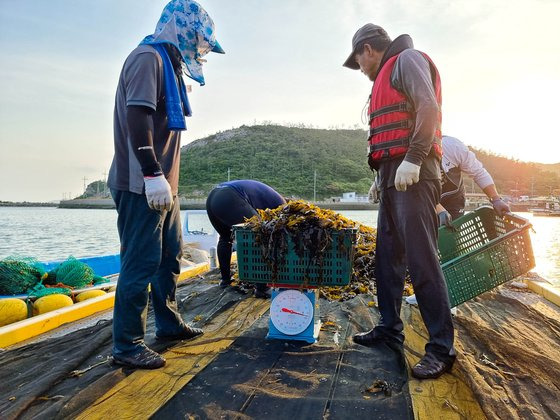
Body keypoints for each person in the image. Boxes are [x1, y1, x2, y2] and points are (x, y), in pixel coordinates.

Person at [107, 0, 224, 369]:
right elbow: (137, 114)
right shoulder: (148, 59)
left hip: (164, 188)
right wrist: (152, 173)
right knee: (139, 263)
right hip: (141, 183)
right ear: (181, 30)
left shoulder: (170, 68)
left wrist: (166, 183)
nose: (202, 50)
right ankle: (127, 344)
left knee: (169, 258)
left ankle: (169, 325)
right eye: (200, 41)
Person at [343, 24, 456, 379]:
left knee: (422, 261)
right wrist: (380, 178)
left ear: (367, 49)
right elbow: (385, 135)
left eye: (358, 61)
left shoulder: (407, 59)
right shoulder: (383, 78)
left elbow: (428, 108)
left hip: (415, 173)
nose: (360, 68)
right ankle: (389, 327)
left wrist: (415, 158)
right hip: (393, 176)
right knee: (387, 257)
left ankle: (442, 348)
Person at [369, 135, 511, 226]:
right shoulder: (409, 154)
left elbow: (479, 173)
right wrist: (378, 181)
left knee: (451, 235)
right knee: (424, 237)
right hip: (420, 199)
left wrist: (496, 199)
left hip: (453, 198)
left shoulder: (453, 147)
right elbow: (411, 186)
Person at [206, 180, 286, 298]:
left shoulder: (271, 197)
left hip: (214, 196)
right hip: (231, 196)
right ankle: (262, 288)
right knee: (260, 236)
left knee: (225, 238)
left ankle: (225, 280)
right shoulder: (283, 205)